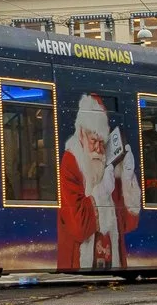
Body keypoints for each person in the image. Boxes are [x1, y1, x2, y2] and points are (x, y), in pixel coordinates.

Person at [57, 94, 138, 271]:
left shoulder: (107, 166)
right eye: (94, 141)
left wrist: (127, 177)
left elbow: (128, 224)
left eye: (102, 142)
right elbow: (78, 226)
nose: (99, 149)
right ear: (81, 135)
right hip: (79, 260)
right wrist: (100, 193)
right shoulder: (71, 162)